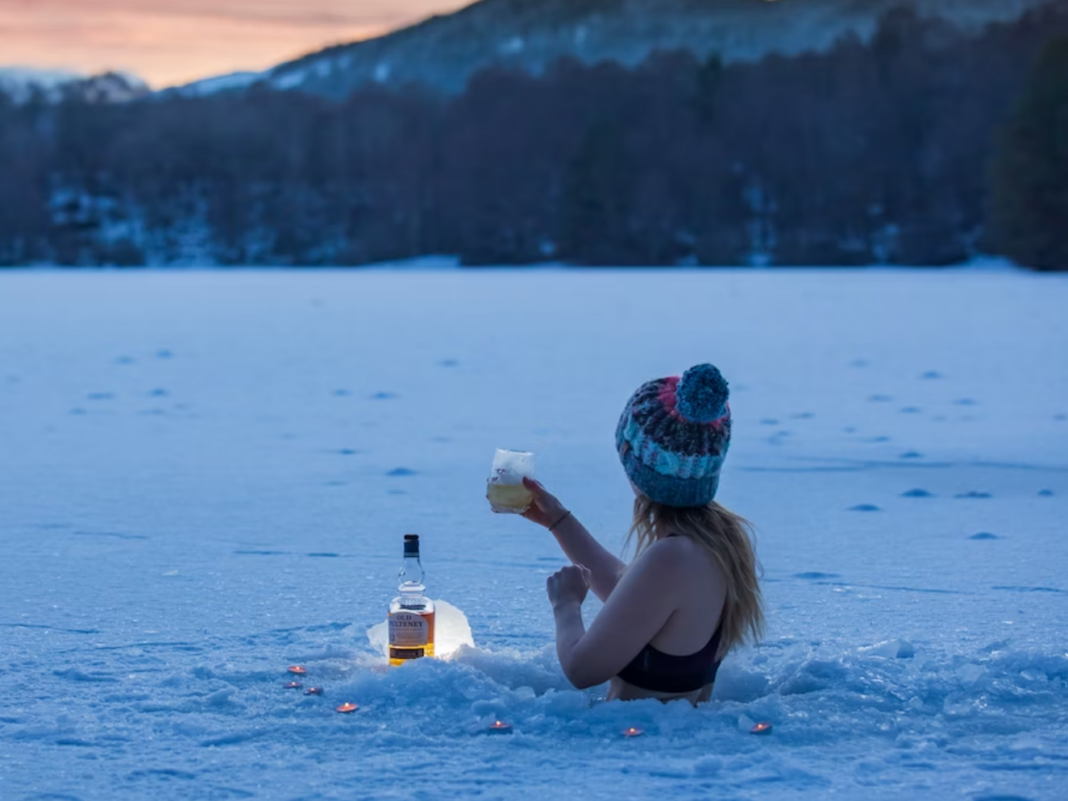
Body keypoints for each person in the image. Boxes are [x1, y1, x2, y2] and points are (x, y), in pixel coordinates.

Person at [522, 364, 765, 705]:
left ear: (636, 465)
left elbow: (582, 670)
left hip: (637, 746)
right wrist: (558, 522)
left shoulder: (673, 557)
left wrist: (566, 604)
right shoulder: (718, 542)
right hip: (669, 742)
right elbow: (637, 600)